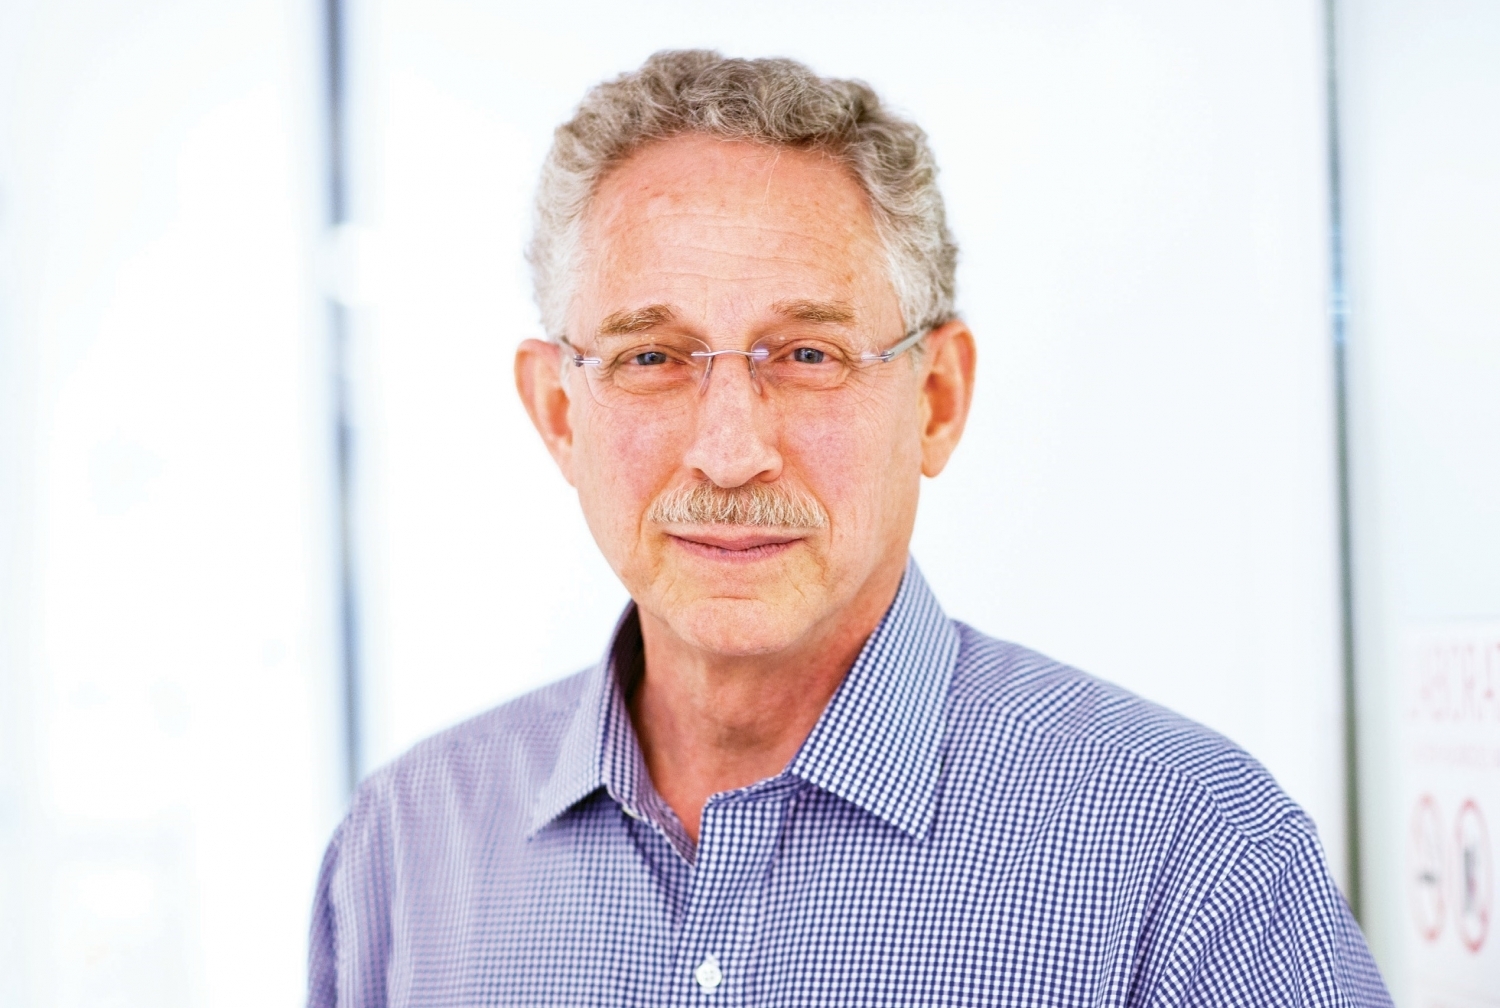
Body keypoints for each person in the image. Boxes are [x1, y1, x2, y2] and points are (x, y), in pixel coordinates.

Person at [307, 50, 1391, 1006]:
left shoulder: (1191, 854)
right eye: (652, 358)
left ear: (937, 400)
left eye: (808, 355)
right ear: (557, 413)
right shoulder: (405, 851)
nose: (731, 451)